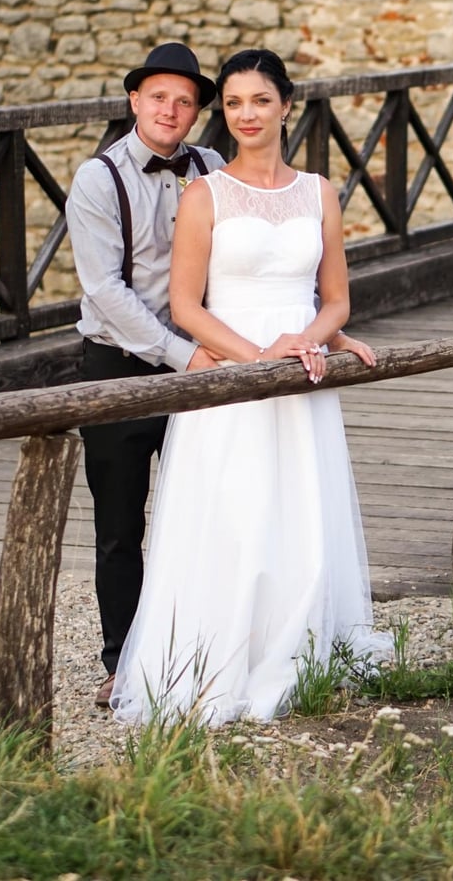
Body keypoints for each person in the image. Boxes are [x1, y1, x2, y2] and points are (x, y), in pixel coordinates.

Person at [66, 42, 373, 709]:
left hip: (220, 362)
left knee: (227, 508)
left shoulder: (211, 166)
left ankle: (272, 636)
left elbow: (287, 269)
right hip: (132, 360)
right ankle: (126, 660)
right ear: (134, 101)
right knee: (121, 522)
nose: (171, 110)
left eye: (185, 101)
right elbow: (107, 292)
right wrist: (199, 356)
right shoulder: (99, 179)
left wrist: (325, 330)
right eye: (158, 97)